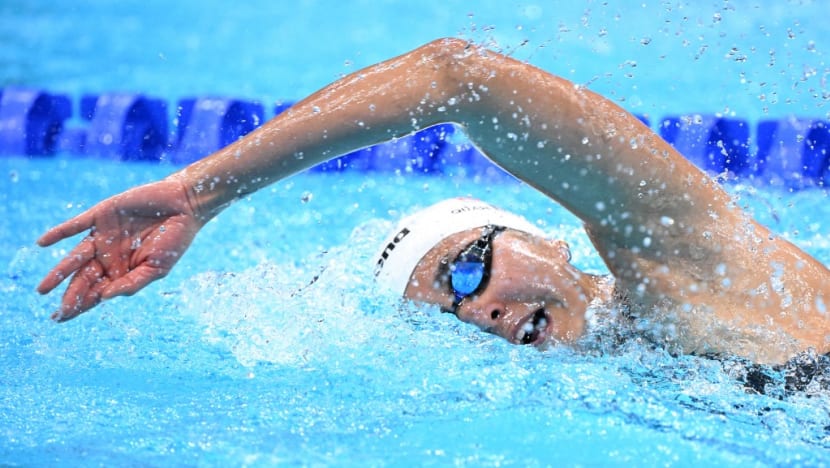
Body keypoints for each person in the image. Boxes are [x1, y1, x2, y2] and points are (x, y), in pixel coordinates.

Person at [36, 37, 830, 368]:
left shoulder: (683, 266)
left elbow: (460, 77)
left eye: (465, 272)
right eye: (445, 314)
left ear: (549, 239)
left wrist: (199, 191)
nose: (477, 311)